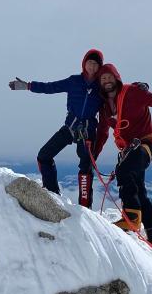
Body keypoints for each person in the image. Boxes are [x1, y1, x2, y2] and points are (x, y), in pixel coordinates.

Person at [91, 63, 152, 251]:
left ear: (116, 78)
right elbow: (102, 133)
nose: (107, 81)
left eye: (109, 77)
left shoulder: (132, 92)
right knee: (138, 190)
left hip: (146, 143)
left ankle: (132, 218)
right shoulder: (104, 110)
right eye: (103, 79)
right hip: (129, 150)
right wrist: (94, 154)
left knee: (124, 170)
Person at [8, 49, 104, 207]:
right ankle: (53, 196)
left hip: (87, 132)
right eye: (90, 62)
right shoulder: (74, 81)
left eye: (96, 64)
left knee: (86, 169)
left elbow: (117, 92)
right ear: (84, 63)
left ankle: (85, 210)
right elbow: (50, 87)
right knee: (44, 155)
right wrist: (27, 86)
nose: (92, 67)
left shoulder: (101, 86)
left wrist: (137, 88)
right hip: (70, 127)